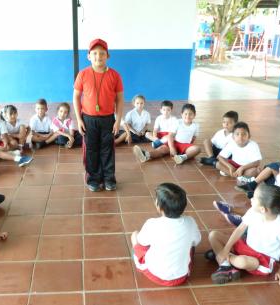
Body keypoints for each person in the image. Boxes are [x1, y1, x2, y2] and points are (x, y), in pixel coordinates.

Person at [207, 184, 280, 286]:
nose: (251, 199)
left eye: (255, 198)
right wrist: (226, 249)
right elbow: (240, 229)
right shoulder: (253, 211)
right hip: (244, 246)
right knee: (213, 235)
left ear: (263, 209)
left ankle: (222, 258)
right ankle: (225, 263)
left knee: (243, 262)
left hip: (260, 261)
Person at [73, 38, 124, 192]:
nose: (98, 56)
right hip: (88, 119)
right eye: (94, 53)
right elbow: (76, 97)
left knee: (108, 149)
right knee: (91, 150)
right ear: (89, 56)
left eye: (102, 53)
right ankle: (93, 178)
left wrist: (118, 121)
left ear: (107, 56)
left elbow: (120, 100)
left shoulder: (115, 75)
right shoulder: (83, 74)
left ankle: (109, 178)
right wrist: (79, 118)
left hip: (108, 119)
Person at [131, 183, 201, 286]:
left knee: (135, 235)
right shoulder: (190, 221)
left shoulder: (152, 223)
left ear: (159, 207)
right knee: (190, 247)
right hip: (181, 276)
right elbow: (196, 241)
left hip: (155, 274)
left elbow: (141, 242)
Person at [216, 152, 280, 226]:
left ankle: (241, 219)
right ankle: (234, 212)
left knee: (261, 209)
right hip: (274, 205)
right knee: (257, 203)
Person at [133, 103, 201, 165]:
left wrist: (189, 147)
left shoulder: (196, 126)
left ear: (194, 115)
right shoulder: (178, 122)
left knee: (197, 149)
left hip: (185, 146)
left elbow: (193, 137)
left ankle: (182, 157)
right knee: (162, 149)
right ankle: (146, 155)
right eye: (186, 114)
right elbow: (170, 135)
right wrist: (171, 148)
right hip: (174, 142)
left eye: (190, 114)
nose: (188, 116)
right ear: (181, 114)